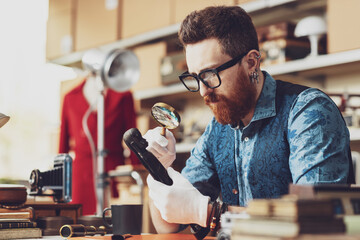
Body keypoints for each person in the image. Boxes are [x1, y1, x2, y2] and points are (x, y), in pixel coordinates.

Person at [143, 5, 354, 235]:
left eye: (210, 75)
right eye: (195, 78)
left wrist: (210, 213)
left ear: (251, 63)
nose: (203, 91)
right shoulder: (218, 128)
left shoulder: (307, 112)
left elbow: (314, 222)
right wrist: (159, 169)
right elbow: (168, 224)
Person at [59, 76, 139, 215]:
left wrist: (137, 174)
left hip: (113, 170)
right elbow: (63, 142)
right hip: (81, 175)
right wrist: (59, 180)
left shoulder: (124, 95)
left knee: (116, 222)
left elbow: (133, 137)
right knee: (79, 223)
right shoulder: (70, 97)